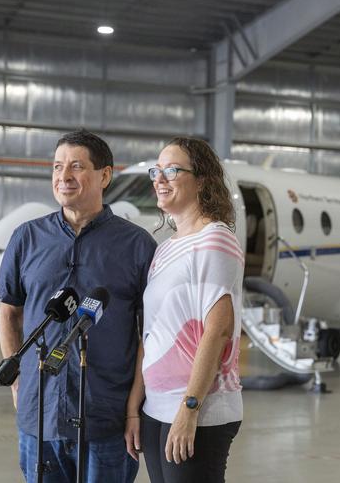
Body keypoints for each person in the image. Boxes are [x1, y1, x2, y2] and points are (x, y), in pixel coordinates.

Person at [0, 129, 156, 483]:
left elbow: (150, 333)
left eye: (76, 166)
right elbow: (9, 310)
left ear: (105, 175)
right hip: (40, 415)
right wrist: (17, 381)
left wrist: (134, 408)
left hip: (107, 417)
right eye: (56, 167)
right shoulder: (27, 238)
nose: (63, 176)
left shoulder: (137, 245)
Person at [124, 137, 243, 483]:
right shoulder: (165, 250)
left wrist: (189, 409)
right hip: (156, 407)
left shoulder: (215, 238)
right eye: (156, 171)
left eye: (172, 170)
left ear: (202, 180)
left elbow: (217, 331)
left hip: (200, 409)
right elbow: (152, 332)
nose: (160, 179)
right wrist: (135, 405)